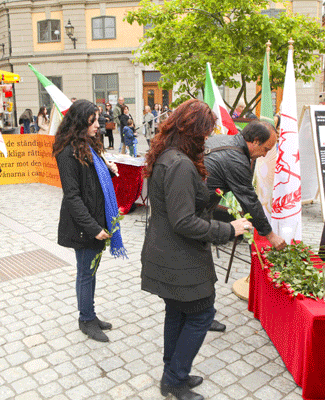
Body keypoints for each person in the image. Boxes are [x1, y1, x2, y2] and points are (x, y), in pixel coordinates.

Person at [141, 99, 250, 400]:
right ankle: (174, 379)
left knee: (177, 312)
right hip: (179, 257)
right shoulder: (178, 164)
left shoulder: (169, 155)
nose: (207, 140)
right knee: (201, 315)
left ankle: (173, 373)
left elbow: (180, 204)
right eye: (204, 134)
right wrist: (229, 229)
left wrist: (213, 193)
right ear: (193, 132)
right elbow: (183, 221)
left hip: (169, 254)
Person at [204, 120, 285, 332]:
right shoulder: (236, 159)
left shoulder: (226, 140)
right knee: (201, 266)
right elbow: (249, 200)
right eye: (265, 149)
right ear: (255, 141)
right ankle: (201, 316)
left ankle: (200, 313)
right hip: (194, 214)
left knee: (199, 264)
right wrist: (270, 235)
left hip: (196, 208)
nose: (265, 155)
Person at [54, 99, 122, 343]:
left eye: (98, 119)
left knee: (91, 272)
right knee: (85, 273)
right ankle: (85, 319)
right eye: (93, 120)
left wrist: (108, 168)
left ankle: (91, 315)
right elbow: (72, 196)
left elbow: (94, 183)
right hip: (84, 226)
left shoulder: (89, 146)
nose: (98, 125)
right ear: (80, 122)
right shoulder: (66, 152)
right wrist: (93, 229)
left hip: (97, 220)